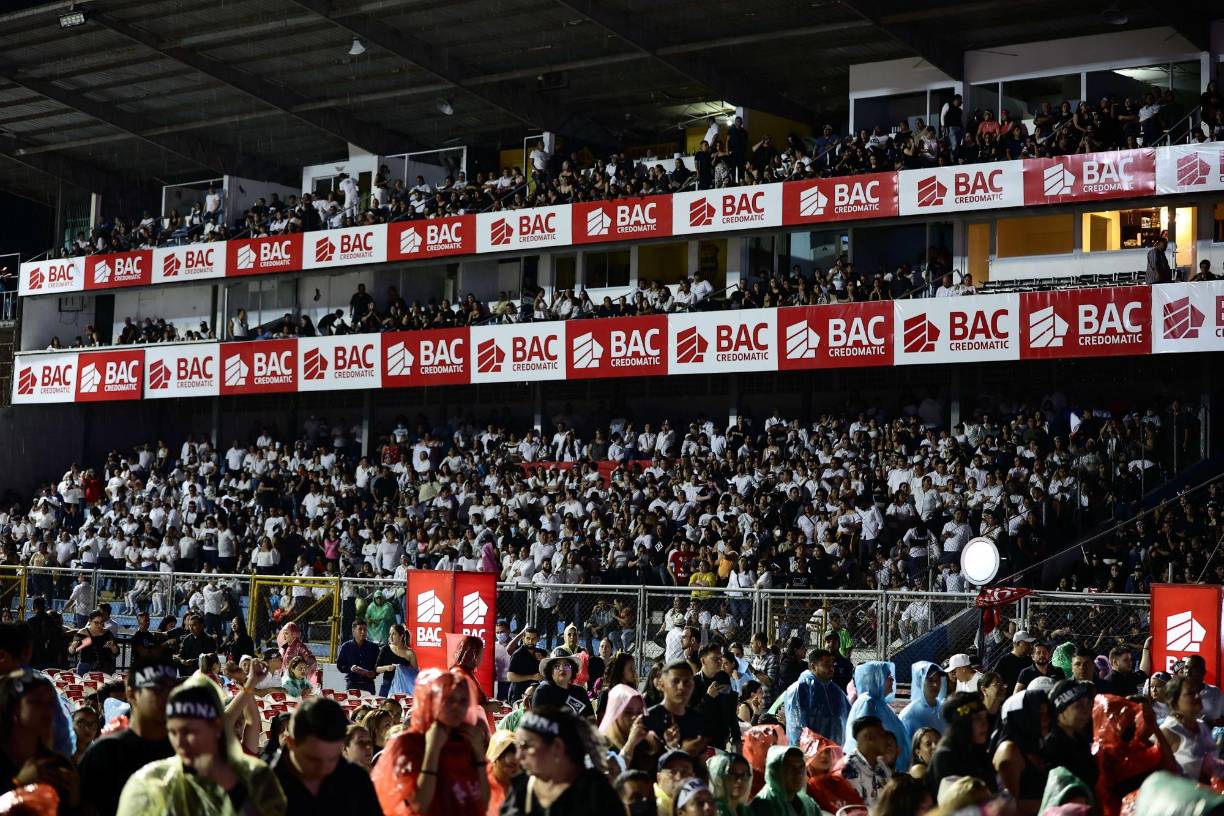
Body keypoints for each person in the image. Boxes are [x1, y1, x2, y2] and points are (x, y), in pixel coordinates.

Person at [116, 674, 286, 816]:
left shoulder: (255, 776)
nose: (181, 742)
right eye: (174, 732)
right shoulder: (149, 782)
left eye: (192, 732)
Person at [372, 668, 488, 816]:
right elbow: (419, 806)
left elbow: (483, 803)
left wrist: (479, 755)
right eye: (449, 700)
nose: (457, 707)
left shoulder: (464, 743)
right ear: (432, 702)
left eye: (463, 701)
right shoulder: (405, 744)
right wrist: (432, 750)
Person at [79, 661, 178, 816]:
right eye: (156, 691)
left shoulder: (182, 749)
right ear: (131, 694)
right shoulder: (105, 751)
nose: (165, 698)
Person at [500, 705, 625, 816]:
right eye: (518, 747)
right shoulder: (522, 787)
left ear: (557, 747)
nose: (518, 756)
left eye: (526, 746)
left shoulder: (596, 794)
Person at [272, 696, 381, 813]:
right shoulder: (266, 783)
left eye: (332, 759)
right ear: (290, 743)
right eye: (314, 760)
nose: (323, 768)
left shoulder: (356, 779)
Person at [991, 688, 1051, 814]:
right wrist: (1055, 804)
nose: (1046, 719)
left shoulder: (1038, 744)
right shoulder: (1009, 751)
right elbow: (1008, 807)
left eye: (1047, 713)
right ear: (1022, 717)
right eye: (1039, 714)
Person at [925, 692, 997, 798]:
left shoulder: (978, 752)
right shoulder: (945, 757)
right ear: (962, 723)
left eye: (985, 717)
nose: (985, 724)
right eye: (977, 718)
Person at [843, 662, 909, 770]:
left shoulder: (881, 704)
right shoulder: (867, 703)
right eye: (888, 677)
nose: (892, 680)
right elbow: (865, 740)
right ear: (876, 679)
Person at [783, 649, 850, 746]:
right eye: (826, 664)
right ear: (813, 666)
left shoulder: (835, 690)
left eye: (832, 665)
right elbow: (796, 728)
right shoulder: (800, 689)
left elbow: (846, 717)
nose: (831, 668)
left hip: (833, 750)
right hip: (809, 752)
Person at [644, 661, 707, 758]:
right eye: (675, 681)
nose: (682, 687)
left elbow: (700, 764)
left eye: (687, 682)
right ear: (661, 684)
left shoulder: (697, 719)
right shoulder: (648, 718)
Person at [1160, 674, 1217, 782]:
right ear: (1174, 701)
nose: (1197, 696)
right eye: (1190, 693)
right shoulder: (1167, 731)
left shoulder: (1201, 725)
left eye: (1197, 692)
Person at [1043, 679, 1098, 790]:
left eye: (1087, 704)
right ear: (1060, 709)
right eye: (1078, 706)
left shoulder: (1079, 740)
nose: (1086, 711)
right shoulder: (1052, 746)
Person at [832, 716, 893, 810]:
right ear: (870, 739)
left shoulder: (881, 765)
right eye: (882, 735)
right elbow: (852, 810)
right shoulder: (847, 768)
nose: (887, 741)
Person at [749, 745, 818, 816]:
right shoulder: (761, 806)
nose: (798, 774)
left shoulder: (808, 804)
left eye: (801, 767)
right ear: (775, 771)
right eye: (790, 768)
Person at [899, 662, 946, 742]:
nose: (936, 684)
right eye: (930, 680)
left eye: (938, 680)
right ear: (920, 682)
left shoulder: (942, 708)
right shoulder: (909, 715)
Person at [336, 621, 379, 694]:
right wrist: (351, 668)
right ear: (353, 631)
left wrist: (374, 672)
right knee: (352, 705)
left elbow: (379, 665)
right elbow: (340, 665)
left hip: (368, 685)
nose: (363, 632)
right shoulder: (346, 647)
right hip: (352, 684)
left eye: (365, 629)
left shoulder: (373, 647)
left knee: (368, 705)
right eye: (360, 629)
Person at [376, 624, 418, 697]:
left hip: (403, 688)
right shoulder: (385, 649)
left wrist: (402, 669)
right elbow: (376, 669)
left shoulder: (410, 653)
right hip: (386, 686)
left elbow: (415, 674)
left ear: (401, 636)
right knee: (383, 708)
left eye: (394, 634)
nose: (390, 637)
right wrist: (387, 668)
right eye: (390, 634)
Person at [707, 751, 753, 816]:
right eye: (732, 774)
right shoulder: (714, 811)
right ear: (719, 779)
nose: (739, 780)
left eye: (744, 775)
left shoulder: (744, 811)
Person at [486, 729, 519, 816]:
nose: (517, 771)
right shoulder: (481, 787)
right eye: (511, 765)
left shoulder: (524, 783)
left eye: (521, 766)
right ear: (495, 760)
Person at [655, 749, 696, 816]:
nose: (678, 778)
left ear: (693, 777)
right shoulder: (650, 808)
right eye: (672, 772)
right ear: (659, 778)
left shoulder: (705, 807)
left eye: (685, 772)